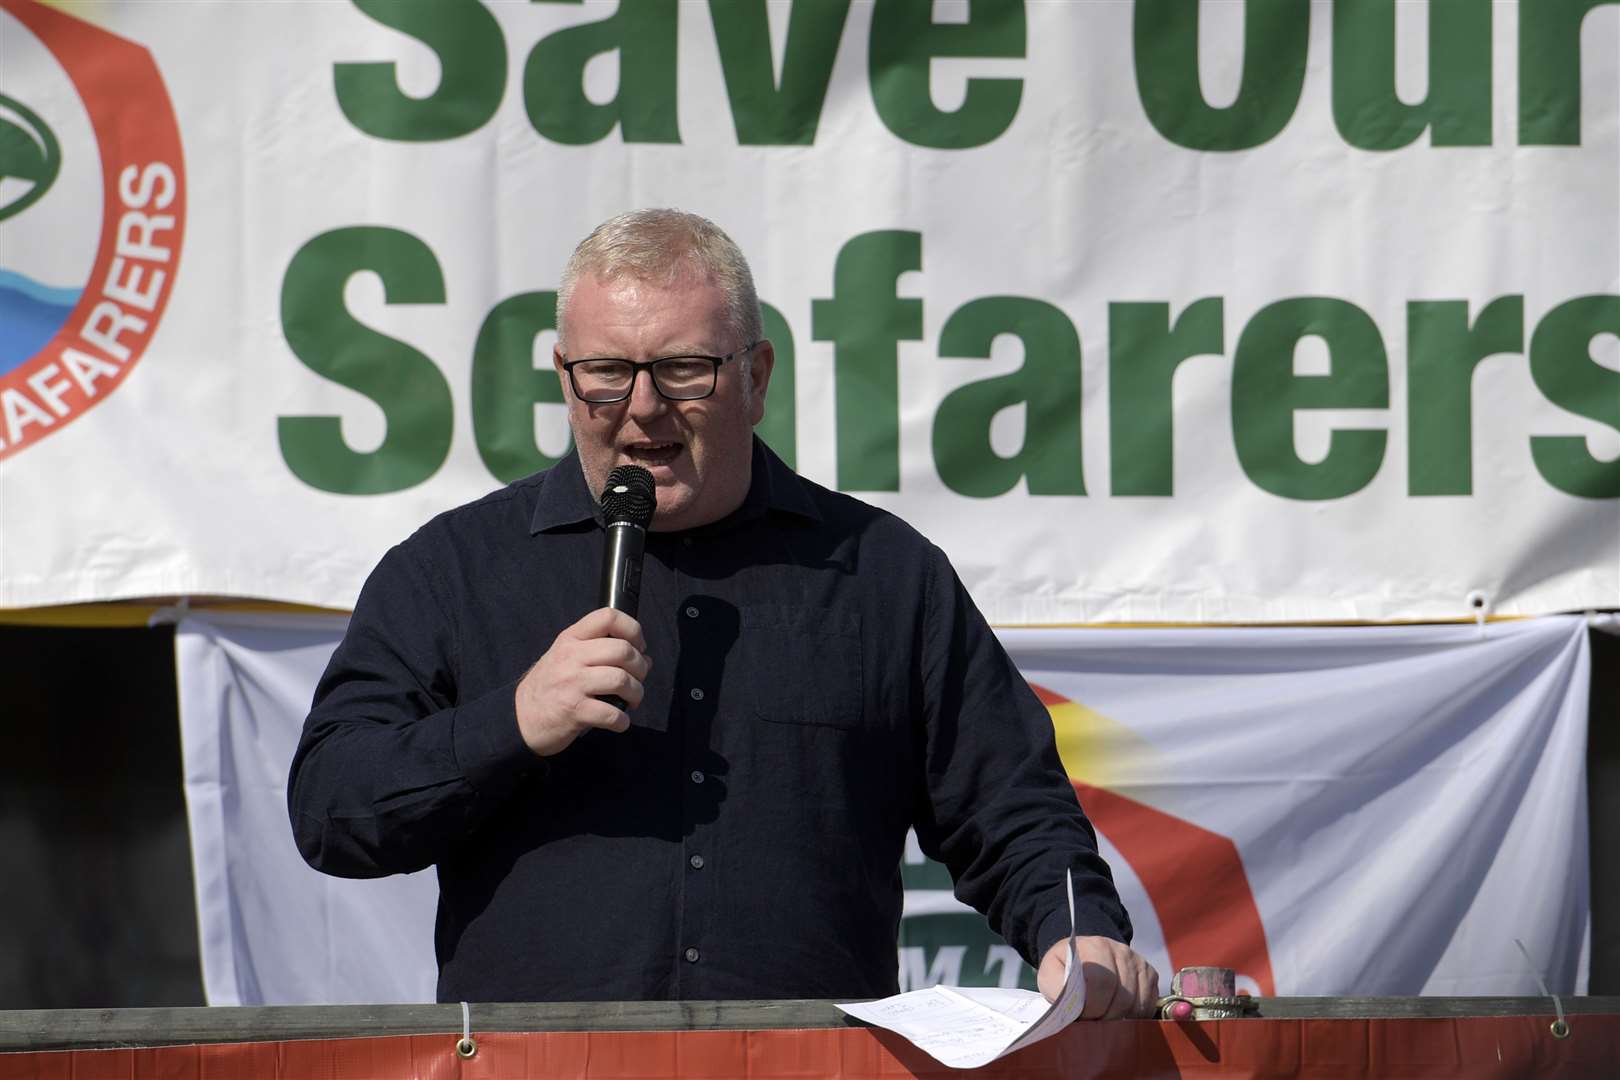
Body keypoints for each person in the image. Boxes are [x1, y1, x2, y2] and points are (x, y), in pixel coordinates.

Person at [288, 209, 1158, 1015]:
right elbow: (333, 813)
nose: (642, 407)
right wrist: (512, 722)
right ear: (564, 375)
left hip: (812, 1072)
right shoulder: (453, 571)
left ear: (757, 374)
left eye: (682, 370)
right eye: (606, 373)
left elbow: (1009, 807)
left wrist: (1074, 931)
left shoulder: (883, 577)